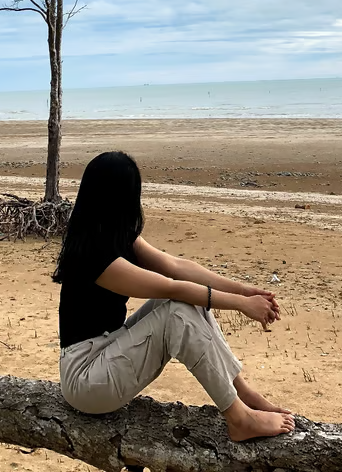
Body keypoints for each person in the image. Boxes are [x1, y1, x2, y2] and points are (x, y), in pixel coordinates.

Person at [53, 150, 294, 441]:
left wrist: (244, 290)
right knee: (176, 311)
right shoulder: (95, 257)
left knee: (179, 304)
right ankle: (239, 418)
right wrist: (241, 305)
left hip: (105, 354)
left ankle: (243, 393)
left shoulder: (114, 236)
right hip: (87, 380)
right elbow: (171, 286)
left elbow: (177, 267)